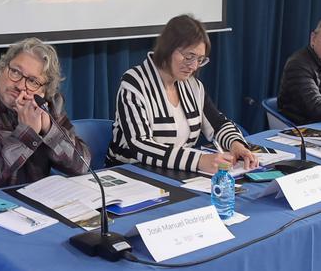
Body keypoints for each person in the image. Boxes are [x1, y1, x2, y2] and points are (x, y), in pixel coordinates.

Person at [108, 14, 257, 173]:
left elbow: (218, 124)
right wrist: (198, 161)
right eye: (188, 57)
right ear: (167, 49)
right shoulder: (134, 83)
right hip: (131, 174)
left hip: (175, 174)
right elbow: (140, 145)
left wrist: (236, 144)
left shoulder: (192, 85)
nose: (193, 66)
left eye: (200, 59)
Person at [0, 37, 91, 193]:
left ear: (43, 91)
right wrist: (26, 134)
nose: (20, 85)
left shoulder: (49, 103)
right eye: (15, 72)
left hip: (33, 200)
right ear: (2, 68)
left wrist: (49, 130)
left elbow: (82, 165)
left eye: (33, 81)